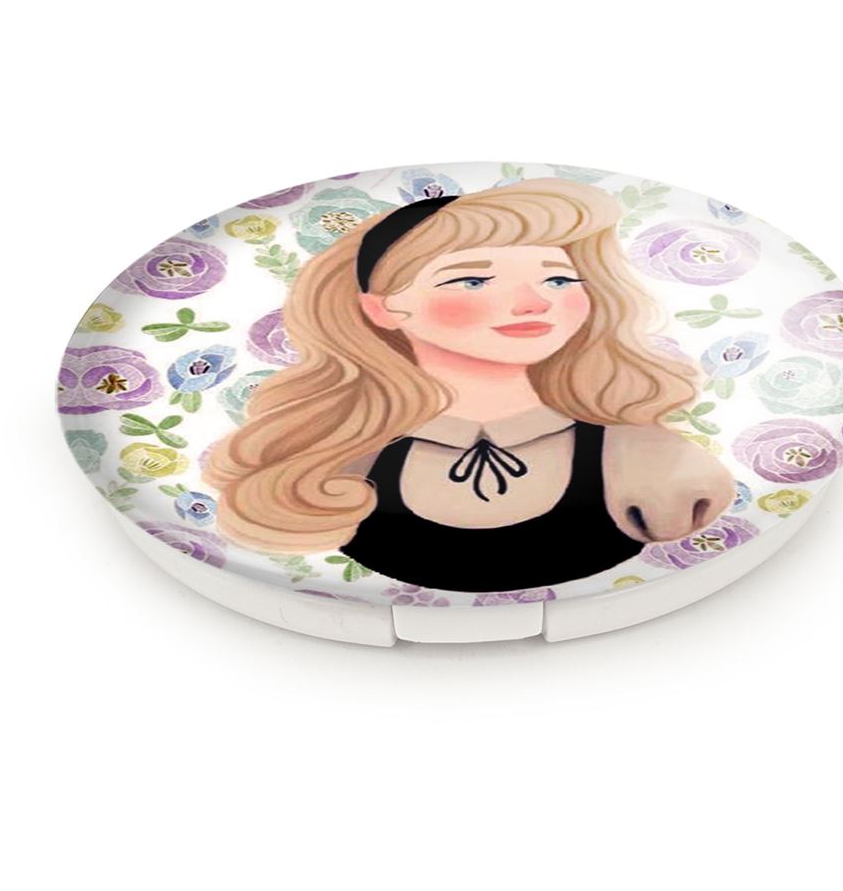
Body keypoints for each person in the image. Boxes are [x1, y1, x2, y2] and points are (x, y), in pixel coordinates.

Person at [203, 178, 736, 593]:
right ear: (383, 309)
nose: (535, 303)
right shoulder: (330, 464)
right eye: (473, 280)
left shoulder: (645, 457)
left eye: (557, 279)